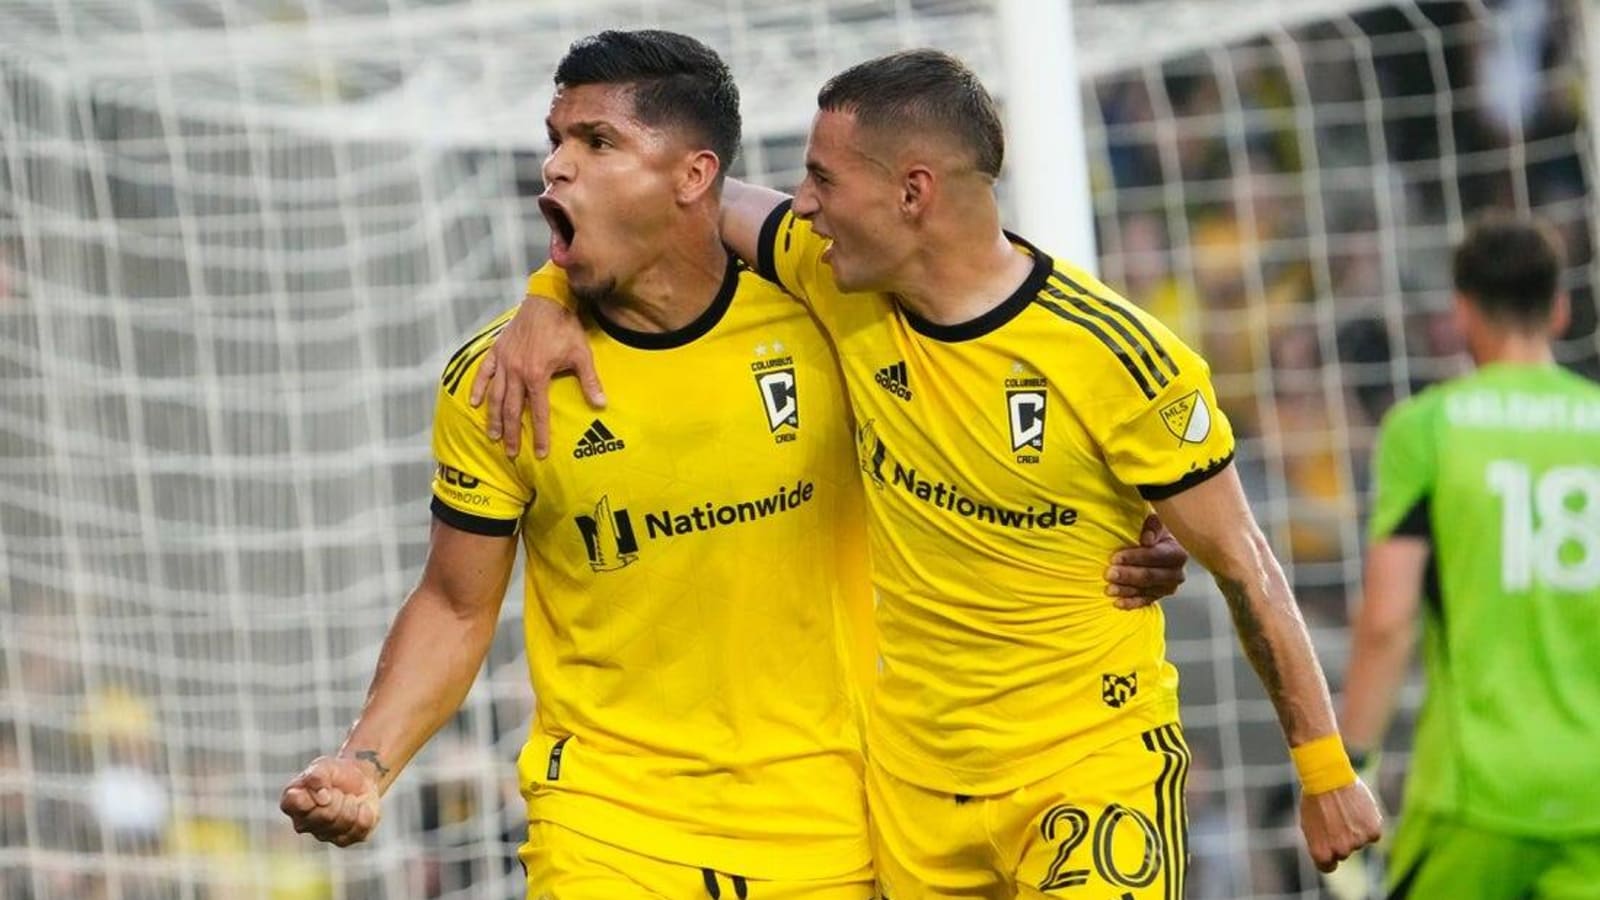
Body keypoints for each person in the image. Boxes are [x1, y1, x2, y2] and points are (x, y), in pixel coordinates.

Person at [279, 31, 1187, 900]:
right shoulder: (503, 380)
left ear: (695, 175)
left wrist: (1128, 518)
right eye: (555, 140)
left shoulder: (835, 317)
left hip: (830, 824)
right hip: (607, 824)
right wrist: (366, 761)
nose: (557, 164)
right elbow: (454, 601)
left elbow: (999, 402)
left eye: (598, 141)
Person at [481, 47, 1381, 898]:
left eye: (824, 179)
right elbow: (684, 201)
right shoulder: (837, 280)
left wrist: (1324, 769)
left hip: (1086, 768)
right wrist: (546, 294)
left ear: (912, 193)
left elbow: (1244, 564)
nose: (802, 204)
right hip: (915, 793)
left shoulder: (1117, 358)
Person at [1341, 214, 1600, 899]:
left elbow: (1389, 621)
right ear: (1561, 307)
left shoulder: (1428, 427)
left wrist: (1348, 765)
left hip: (1474, 797)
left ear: (1461, 312)